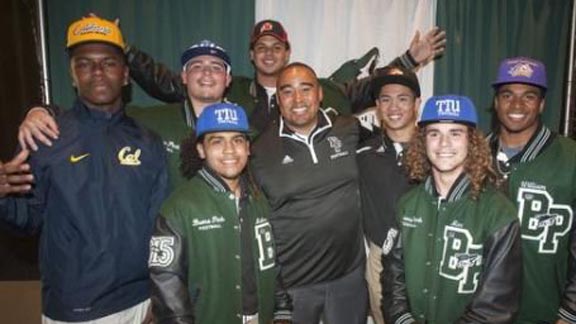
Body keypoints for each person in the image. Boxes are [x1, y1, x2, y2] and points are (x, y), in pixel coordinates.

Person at [0, 16, 168, 323]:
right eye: (85, 64)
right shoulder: (44, 136)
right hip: (73, 308)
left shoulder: (148, 141)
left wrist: (158, 299)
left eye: (108, 63)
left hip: (140, 303)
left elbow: (159, 231)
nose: (98, 73)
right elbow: (27, 220)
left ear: (126, 74)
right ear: (73, 75)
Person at [381, 95, 522, 323]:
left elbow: (496, 307)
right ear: (422, 141)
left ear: (471, 141)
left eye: (455, 133)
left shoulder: (499, 213)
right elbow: (392, 281)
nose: (443, 144)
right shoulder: (407, 205)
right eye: (434, 133)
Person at [148, 102, 291, 324]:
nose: (229, 150)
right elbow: (166, 282)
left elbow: (271, 260)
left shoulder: (258, 198)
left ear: (248, 147)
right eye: (217, 141)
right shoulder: (178, 208)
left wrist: (282, 310)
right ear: (201, 149)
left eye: (237, 140)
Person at [250, 62, 370, 324]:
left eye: (306, 89)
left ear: (320, 94)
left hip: (348, 279)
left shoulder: (349, 128)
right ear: (278, 100)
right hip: (294, 287)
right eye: (287, 91)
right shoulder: (259, 151)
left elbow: (386, 155)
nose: (298, 99)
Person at [487, 57, 576, 324]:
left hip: (546, 313)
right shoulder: (473, 156)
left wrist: (570, 313)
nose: (516, 105)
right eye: (507, 95)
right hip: (478, 313)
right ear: (496, 102)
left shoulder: (571, 158)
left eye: (529, 96)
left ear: (541, 104)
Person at [357, 65, 421, 324]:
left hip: (429, 256)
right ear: (377, 105)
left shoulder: (438, 147)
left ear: (417, 103)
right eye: (386, 99)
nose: (394, 107)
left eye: (402, 98)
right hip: (381, 259)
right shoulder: (362, 153)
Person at [127, 40, 233, 190]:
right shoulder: (151, 122)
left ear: (227, 79)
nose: (207, 72)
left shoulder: (245, 131)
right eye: (197, 66)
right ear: (184, 76)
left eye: (216, 67)